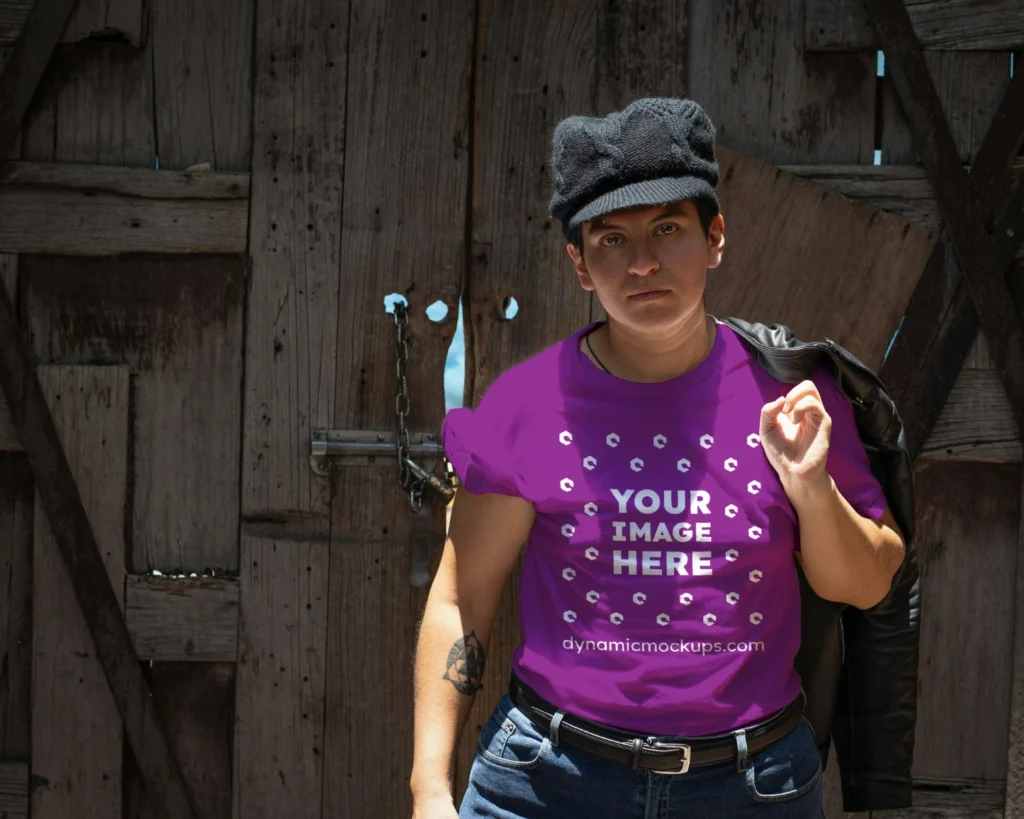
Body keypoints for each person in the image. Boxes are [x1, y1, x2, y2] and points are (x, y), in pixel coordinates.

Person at [410, 98, 918, 819]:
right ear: (580, 264)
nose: (642, 262)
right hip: (549, 783)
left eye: (668, 229)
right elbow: (462, 598)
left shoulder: (795, 397)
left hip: (751, 786)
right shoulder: (527, 404)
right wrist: (429, 787)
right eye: (611, 239)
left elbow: (867, 585)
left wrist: (809, 486)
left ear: (715, 237)